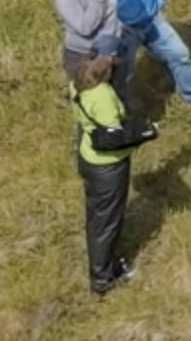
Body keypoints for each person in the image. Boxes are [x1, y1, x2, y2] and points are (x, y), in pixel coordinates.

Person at [68, 51, 159, 295]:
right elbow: (115, 136)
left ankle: (105, 261)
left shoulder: (76, 86)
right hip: (108, 166)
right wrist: (144, 133)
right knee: (107, 222)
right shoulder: (103, 97)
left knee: (97, 217)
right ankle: (102, 277)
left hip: (88, 158)